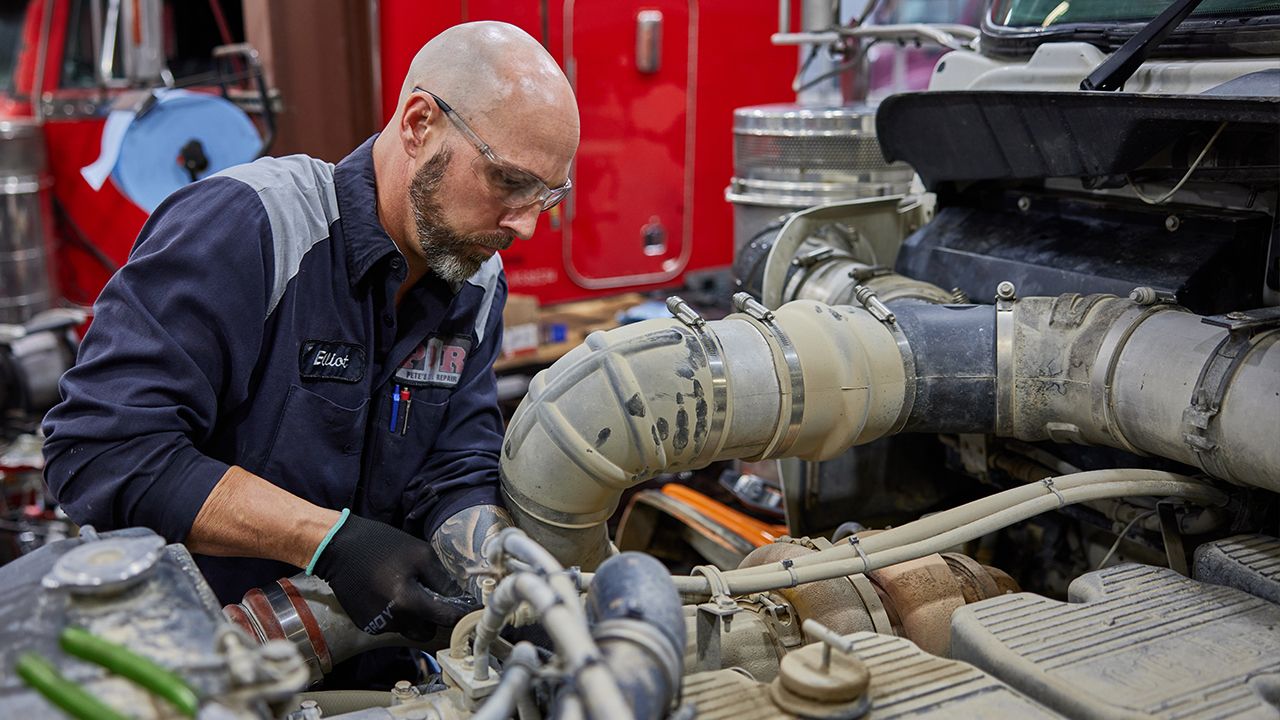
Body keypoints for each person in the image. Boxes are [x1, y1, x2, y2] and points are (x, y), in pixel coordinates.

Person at [42, 21, 579, 645]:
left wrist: (493, 574)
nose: (526, 226)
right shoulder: (249, 228)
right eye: (509, 181)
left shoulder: (476, 285)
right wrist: (328, 541)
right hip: (201, 657)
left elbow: (456, 465)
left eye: (548, 195)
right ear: (417, 124)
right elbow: (101, 450)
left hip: (370, 665)